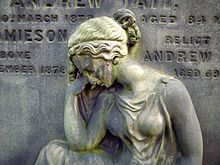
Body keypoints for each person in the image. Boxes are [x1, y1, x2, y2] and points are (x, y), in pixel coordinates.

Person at [35, 9, 203, 165]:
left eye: (89, 70)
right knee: (52, 153)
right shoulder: (108, 98)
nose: (89, 80)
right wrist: (71, 95)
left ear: (107, 55)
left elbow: (192, 157)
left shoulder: (169, 91)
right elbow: (81, 143)